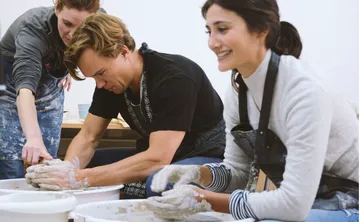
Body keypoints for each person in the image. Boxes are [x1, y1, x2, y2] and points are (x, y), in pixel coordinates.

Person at [149, 0, 359, 221]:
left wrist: (203, 200)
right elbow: (238, 173)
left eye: (222, 29)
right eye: (208, 31)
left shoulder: (305, 92)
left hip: (349, 198)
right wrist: (197, 174)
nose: (212, 42)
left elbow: (294, 205)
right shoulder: (238, 94)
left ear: (260, 30)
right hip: (306, 199)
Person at [25, 13, 225, 198]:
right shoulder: (110, 85)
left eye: (101, 73)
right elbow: (88, 137)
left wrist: (78, 180)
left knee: (163, 183)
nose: (100, 84)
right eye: (93, 77)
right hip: (166, 158)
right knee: (87, 164)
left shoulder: (174, 77)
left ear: (123, 51)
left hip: (209, 157)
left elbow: (158, 158)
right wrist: (66, 173)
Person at [0, 0, 102, 179]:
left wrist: (69, 64)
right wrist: (33, 137)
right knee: (12, 161)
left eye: (82, 28)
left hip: (50, 79)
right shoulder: (33, 28)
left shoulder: (100, 22)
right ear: (56, 6)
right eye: (67, 24)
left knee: (46, 160)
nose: (73, 35)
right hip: (10, 81)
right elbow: (25, 88)